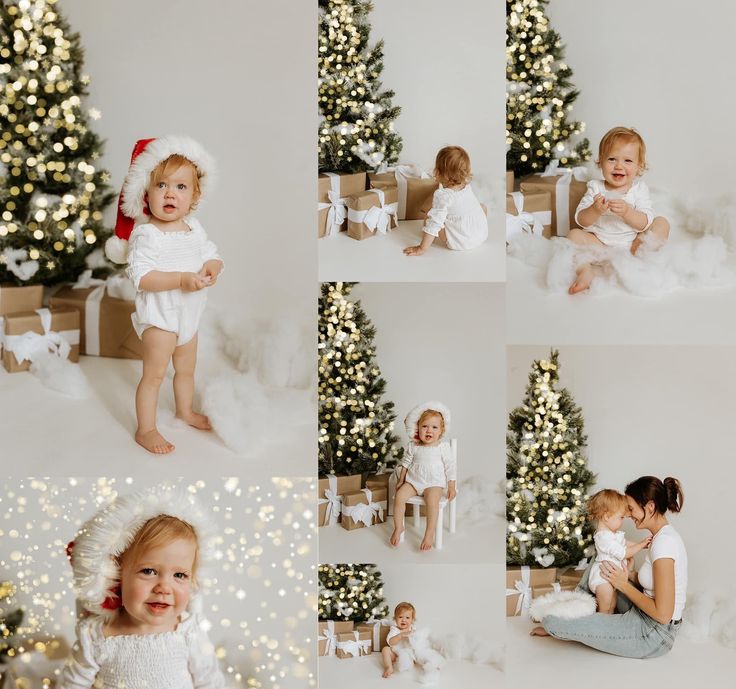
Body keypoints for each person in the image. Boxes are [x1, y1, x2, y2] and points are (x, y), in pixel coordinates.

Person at [106, 136, 223, 454]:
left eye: (181, 187)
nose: (170, 193)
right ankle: (146, 429)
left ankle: (184, 411)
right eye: (161, 186)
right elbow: (142, 277)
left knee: (186, 370)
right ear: (146, 192)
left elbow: (211, 254)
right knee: (154, 375)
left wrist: (212, 267)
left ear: (195, 196)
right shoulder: (147, 234)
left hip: (189, 317)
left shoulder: (194, 230)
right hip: (161, 318)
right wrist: (182, 279)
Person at [60, 487, 225, 688]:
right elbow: (73, 684)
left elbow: (210, 681)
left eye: (179, 575)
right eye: (148, 571)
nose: (164, 588)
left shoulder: (188, 632)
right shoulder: (98, 636)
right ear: (116, 576)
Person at [531, 476, 687, 659]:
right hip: (643, 613)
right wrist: (629, 575)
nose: (628, 515)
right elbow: (654, 583)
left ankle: (577, 614)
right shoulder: (661, 537)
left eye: (631, 508)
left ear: (650, 507)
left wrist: (622, 584)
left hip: (653, 633)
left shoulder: (664, 544)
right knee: (603, 551)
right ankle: (579, 602)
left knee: (552, 623)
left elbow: (663, 615)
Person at [567, 127, 670, 294]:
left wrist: (627, 212)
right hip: (600, 247)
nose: (619, 166)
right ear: (600, 162)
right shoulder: (595, 187)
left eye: (628, 161)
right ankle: (585, 271)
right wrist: (595, 210)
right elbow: (581, 220)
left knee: (662, 223)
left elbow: (645, 223)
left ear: (639, 166)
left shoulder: (639, 190)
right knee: (573, 235)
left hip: (632, 247)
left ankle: (643, 259)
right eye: (612, 159)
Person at [390, 402, 457, 550]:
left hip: (434, 484)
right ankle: (398, 527)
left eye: (434, 427)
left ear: (441, 431)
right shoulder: (413, 446)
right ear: (418, 429)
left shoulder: (442, 447)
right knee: (400, 496)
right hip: (413, 481)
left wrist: (451, 486)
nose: (429, 430)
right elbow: (406, 464)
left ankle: (429, 533)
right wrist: (401, 481)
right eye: (425, 426)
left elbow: (450, 467)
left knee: (432, 501)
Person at [403, 145, 488, 255]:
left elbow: (434, 223)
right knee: (482, 207)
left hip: (459, 243)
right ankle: (473, 230)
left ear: (439, 173)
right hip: (481, 236)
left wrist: (421, 248)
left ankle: (428, 245)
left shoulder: (443, 195)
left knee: (430, 216)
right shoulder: (467, 186)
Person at [586, 489, 652, 613]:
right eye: (621, 517)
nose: (623, 520)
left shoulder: (612, 534)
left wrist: (641, 545)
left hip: (613, 578)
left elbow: (625, 543)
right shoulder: (603, 537)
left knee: (612, 606)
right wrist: (641, 544)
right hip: (603, 579)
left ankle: (608, 624)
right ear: (606, 516)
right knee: (604, 608)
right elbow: (624, 552)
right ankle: (600, 624)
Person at [381, 602, 416, 678]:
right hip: (395, 655)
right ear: (395, 619)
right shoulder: (394, 629)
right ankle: (389, 667)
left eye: (407, 618)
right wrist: (400, 635)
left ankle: (429, 664)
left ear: (412, 620)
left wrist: (413, 636)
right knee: (385, 649)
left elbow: (417, 643)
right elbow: (390, 642)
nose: (403, 620)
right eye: (400, 617)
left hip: (409, 655)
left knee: (419, 652)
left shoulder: (412, 630)